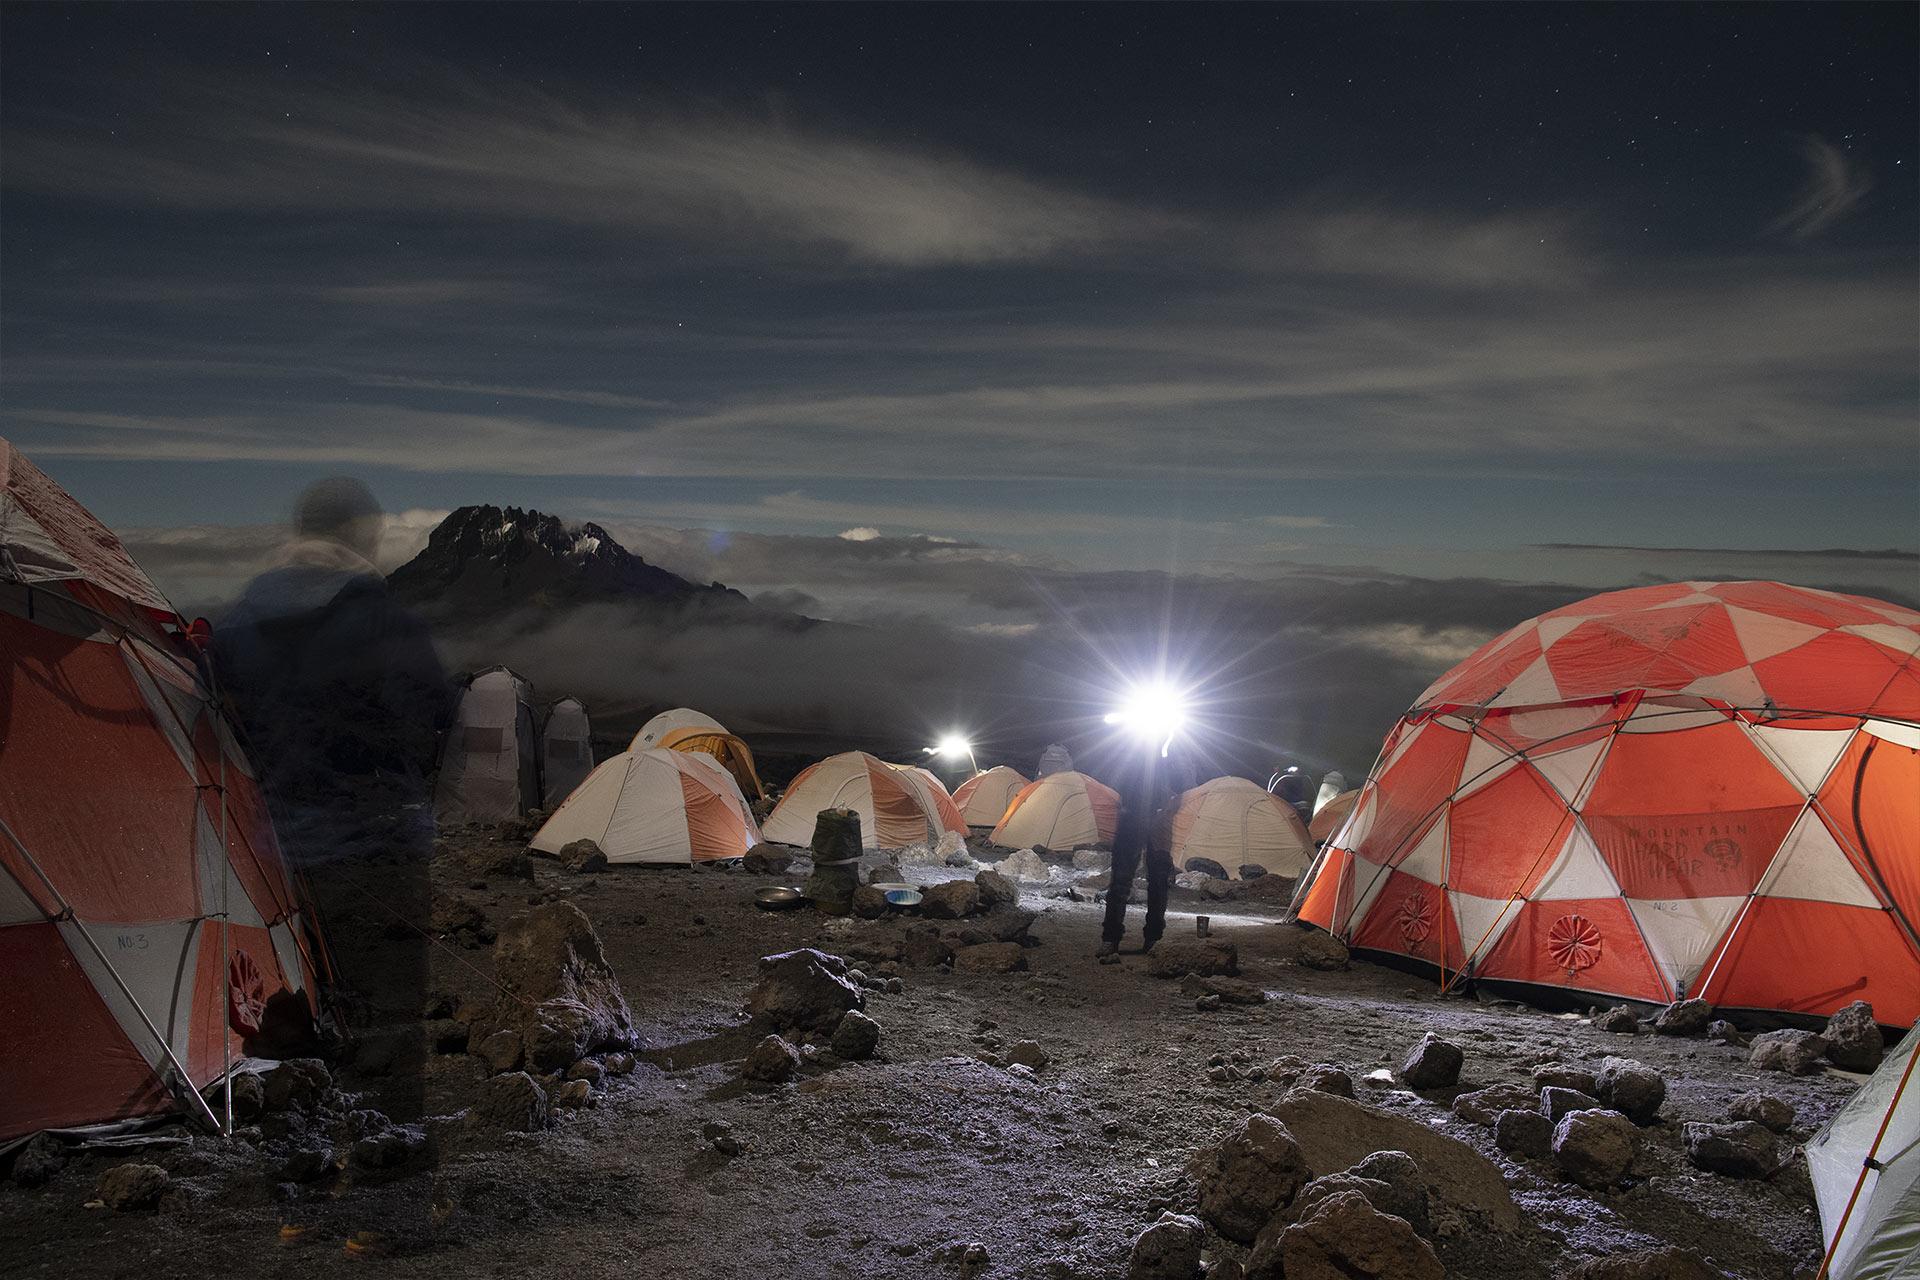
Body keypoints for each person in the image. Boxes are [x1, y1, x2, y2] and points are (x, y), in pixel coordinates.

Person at [1097, 741, 1192, 957]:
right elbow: (1113, 776)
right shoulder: (1130, 746)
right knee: (1121, 879)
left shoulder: (1172, 746)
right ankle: (1110, 938)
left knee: (1158, 881)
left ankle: (1153, 939)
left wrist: (1172, 752)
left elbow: (1183, 783)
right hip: (1131, 815)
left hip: (1159, 818)